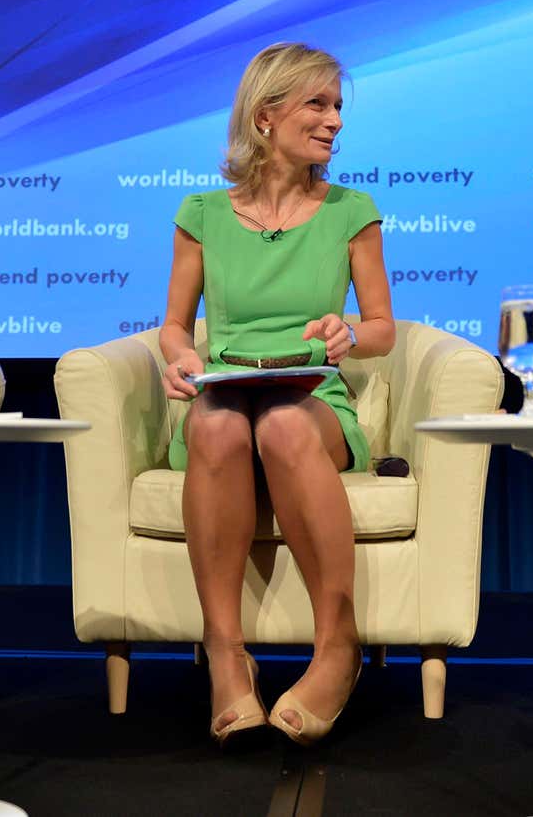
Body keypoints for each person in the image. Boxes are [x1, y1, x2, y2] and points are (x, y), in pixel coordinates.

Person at [158, 42, 393, 747]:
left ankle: (336, 649)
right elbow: (174, 326)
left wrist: (347, 331)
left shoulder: (352, 209)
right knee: (222, 427)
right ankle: (226, 656)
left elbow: (381, 328)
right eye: (317, 105)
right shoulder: (201, 212)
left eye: (338, 107)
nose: (334, 122)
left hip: (312, 392)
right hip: (225, 392)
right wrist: (177, 361)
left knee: (285, 427)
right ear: (265, 116)